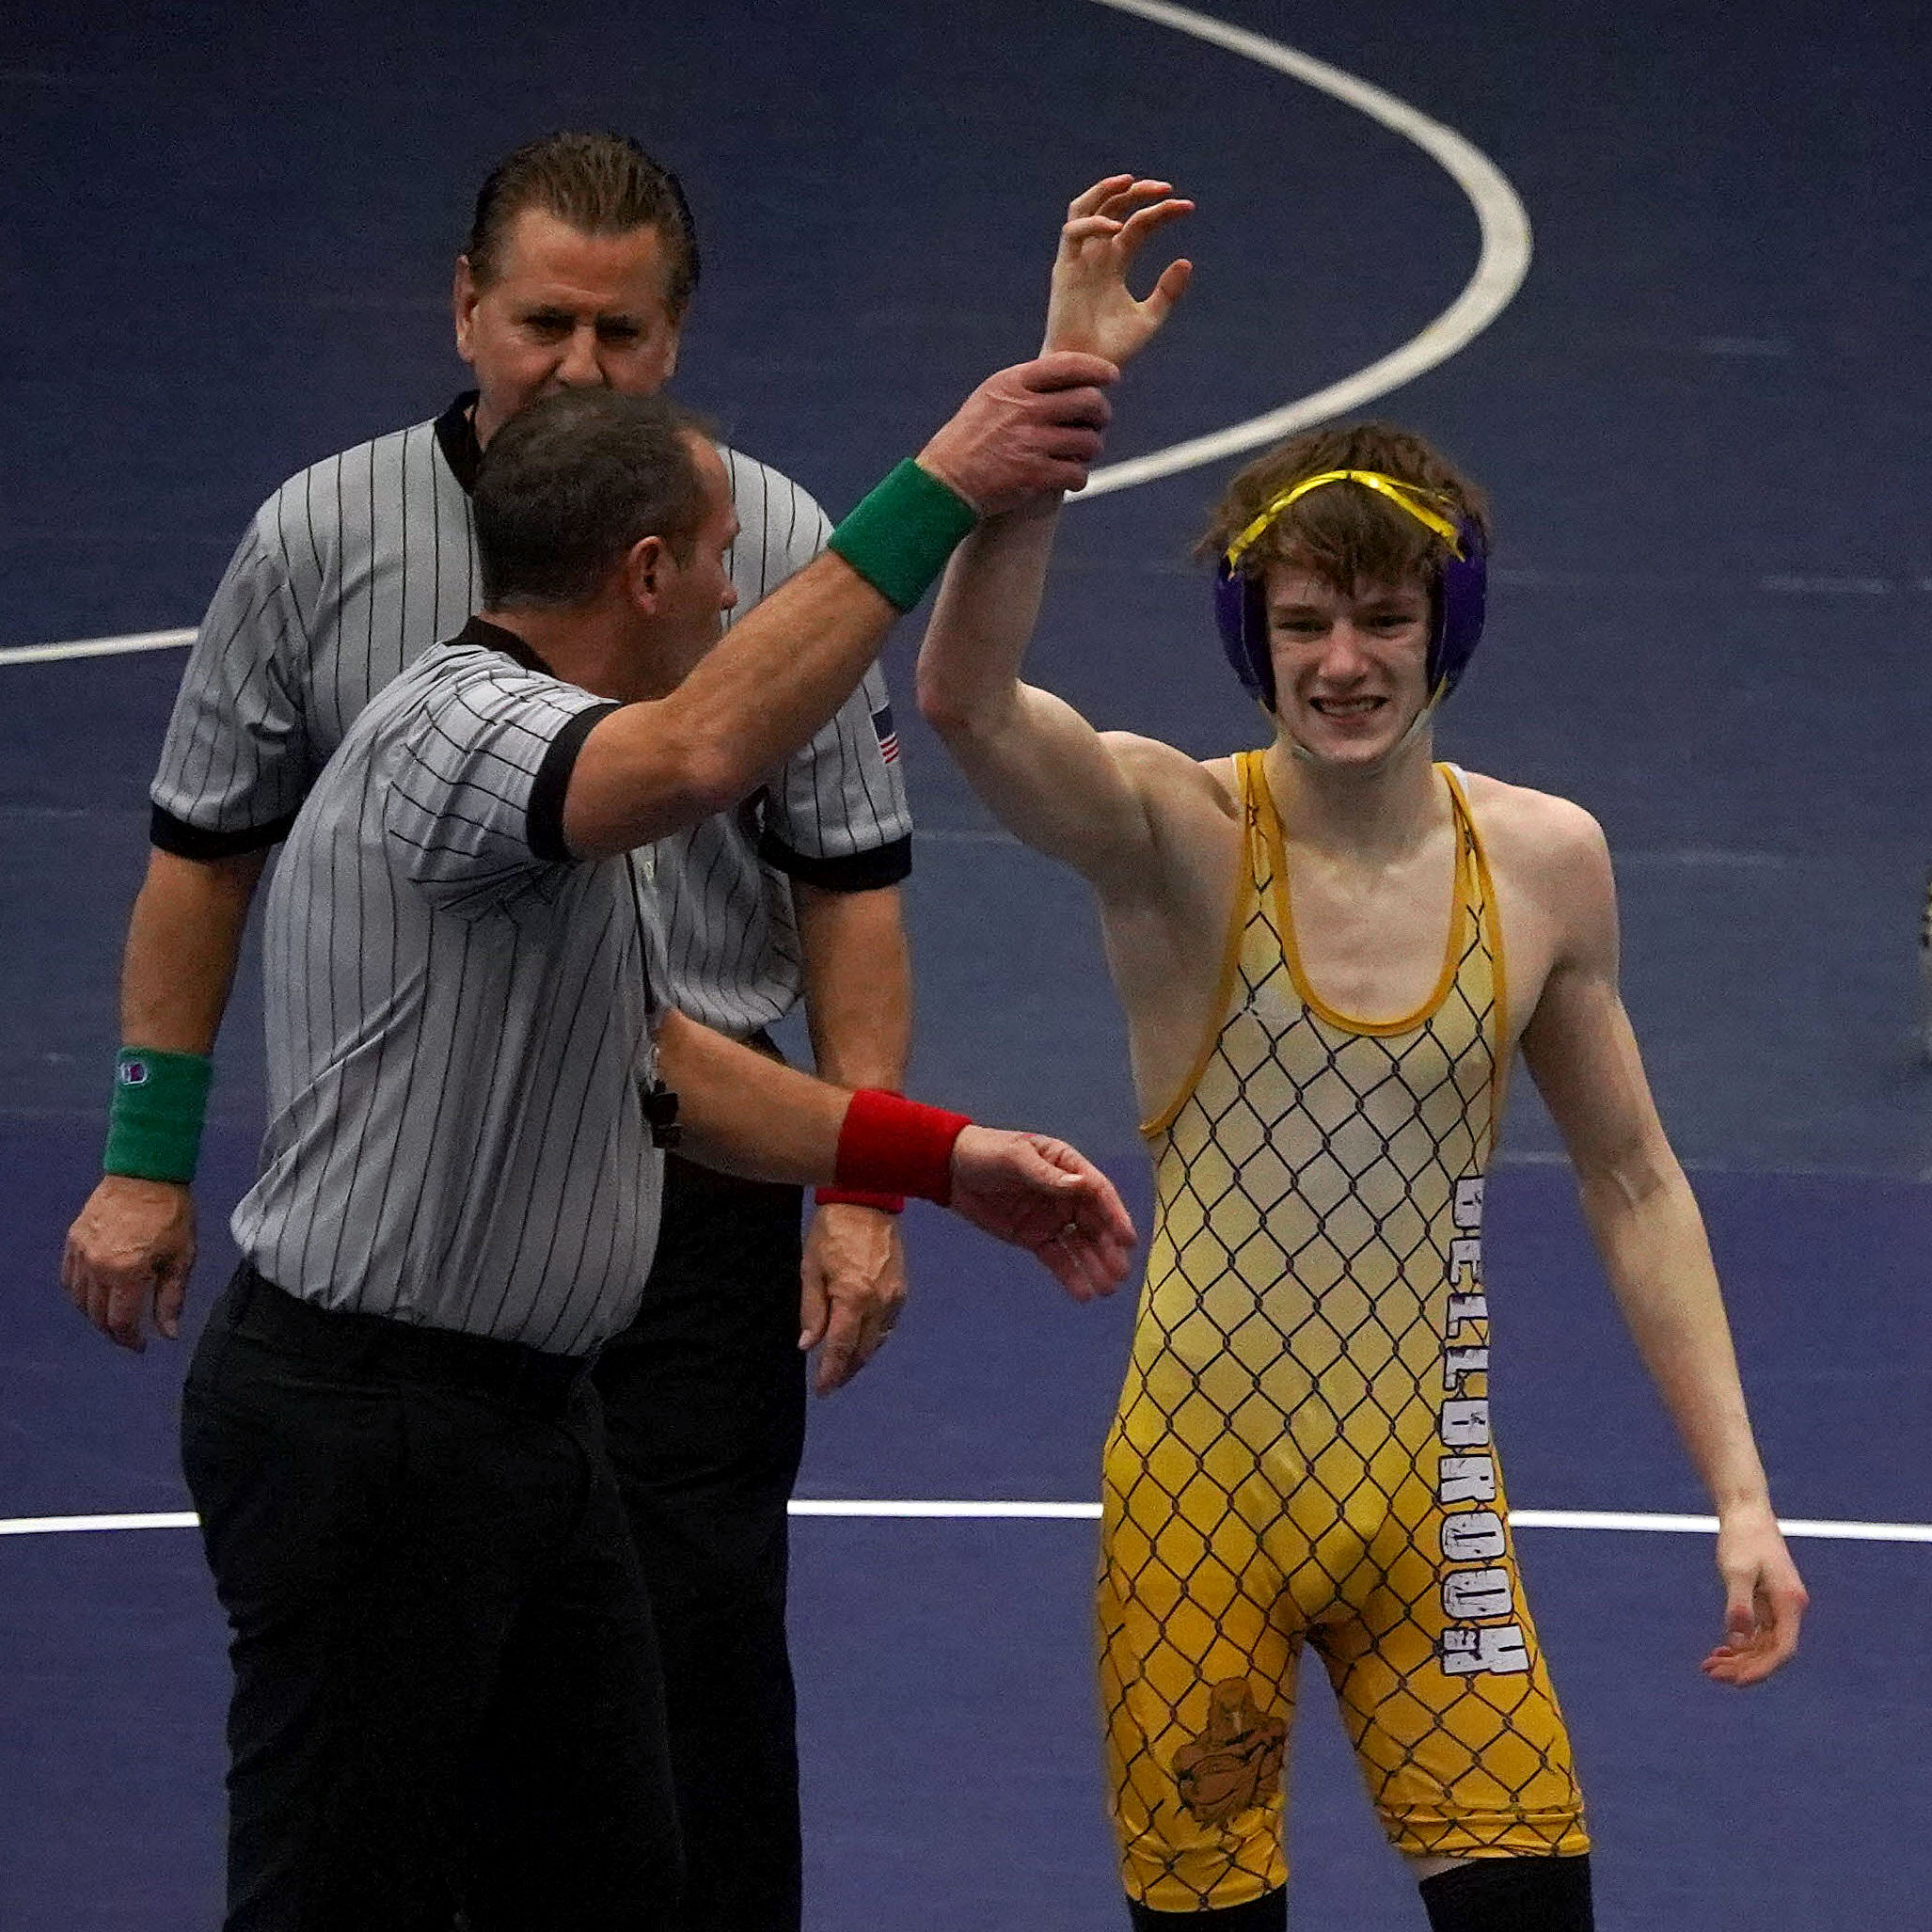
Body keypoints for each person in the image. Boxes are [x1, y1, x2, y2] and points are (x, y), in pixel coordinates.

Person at [914, 178, 1809, 1931]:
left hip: (1431, 1512)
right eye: (1305, 621)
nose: (1343, 663)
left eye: (1383, 621)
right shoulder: (1177, 834)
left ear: (1444, 629)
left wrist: (1743, 1497)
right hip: (1196, 1517)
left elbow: (1632, 1180)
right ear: (1251, 633)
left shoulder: (1542, 861)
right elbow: (960, 701)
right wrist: (1055, 410)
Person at [67, 130, 923, 1930]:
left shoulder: (752, 538)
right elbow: (201, 856)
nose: (576, 368)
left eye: (620, 334)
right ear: (465, 310)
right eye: (542, 323)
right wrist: (148, 1158)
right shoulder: (337, 555)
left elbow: (839, 878)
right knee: (382, 1790)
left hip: (677, 1184)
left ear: (675, 339)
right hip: (425, 1219)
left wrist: (882, 1172)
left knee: (675, 1680)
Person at [162, 377, 1137, 1931]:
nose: (738, 592)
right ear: (642, 574)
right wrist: (941, 483)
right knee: (337, 1898)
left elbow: (663, 1064)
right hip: (373, 1427)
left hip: (527, 1427)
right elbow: (700, 753)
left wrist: (934, 1159)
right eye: (720, 557)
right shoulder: (461, 733)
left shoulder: (551, 796)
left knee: (618, 1881)